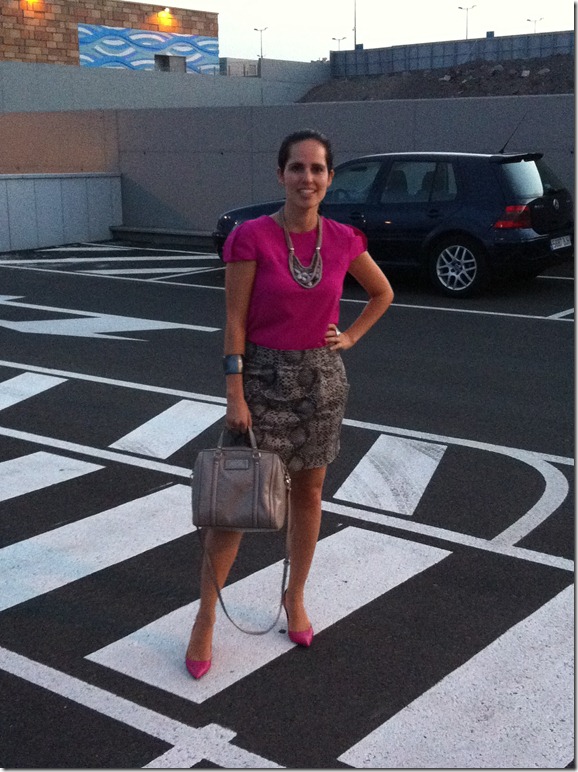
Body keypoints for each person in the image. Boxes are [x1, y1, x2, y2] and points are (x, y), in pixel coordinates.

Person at [186, 128, 394, 679]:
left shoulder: (345, 239)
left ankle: (294, 596)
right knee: (234, 504)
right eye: (297, 168)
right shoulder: (251, 237)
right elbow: (234, 320)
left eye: (317, 168)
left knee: (309, 492)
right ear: (280, 174)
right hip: (261, 378)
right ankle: (205, 618)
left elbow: (383, 293)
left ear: (330, 177)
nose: (308, 178)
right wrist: (234, 392)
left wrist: (349, 337)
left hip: (322, 382)